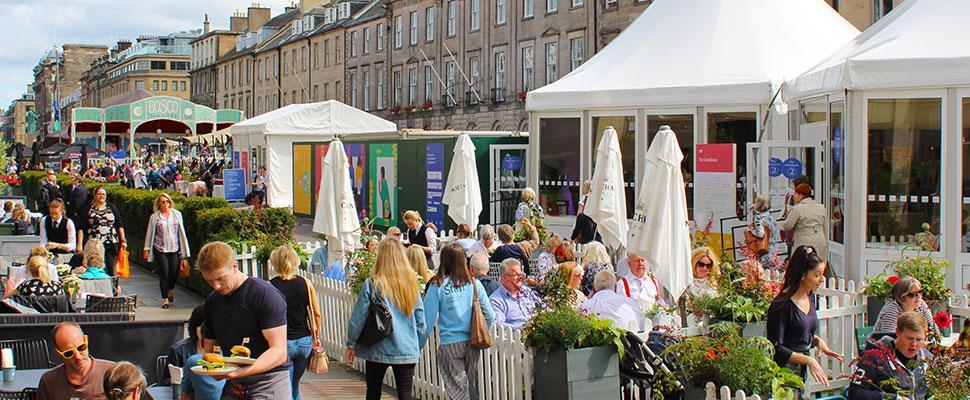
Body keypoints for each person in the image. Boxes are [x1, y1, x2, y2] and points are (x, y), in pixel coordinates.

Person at [197, 242, 291, 398]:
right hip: (234, 385)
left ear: (234, 267)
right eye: (209, 281)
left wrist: (240, 372)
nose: (216, 286)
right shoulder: (213, 302)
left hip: (268, 382)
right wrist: (214, 368)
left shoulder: (264, 294)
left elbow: (279, 352)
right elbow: (211, 349)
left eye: (220, 279)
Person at [346, 238, 426, 400]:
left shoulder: (373, 284)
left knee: (373, 392)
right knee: (405, 395)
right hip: (406, 347)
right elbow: (421, 323)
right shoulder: (411, 285)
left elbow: (358, 317)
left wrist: (351, 343)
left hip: (377, 347)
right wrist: (416, 345)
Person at [421, 244, 495, 400]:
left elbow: (426, 321)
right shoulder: (474, 283)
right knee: (471, 387)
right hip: (472, 341)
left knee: (458, 390)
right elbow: (490, 314)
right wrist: (481, 331)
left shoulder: (438, 285)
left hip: (450, 343)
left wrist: (418, 346)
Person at [766, 245, 843, 387]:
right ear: (802, 275)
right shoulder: (781, 306)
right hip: (785, 374)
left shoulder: (809, 298)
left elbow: (797, 333)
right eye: (817, 275)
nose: (821, 279)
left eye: (822, 274)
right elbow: (776, 347)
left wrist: (817, 341)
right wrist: (808, 360)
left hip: (803, 373)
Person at [268, 245, 322, 400]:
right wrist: (315, 335)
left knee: (286, 385)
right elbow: (316, 314)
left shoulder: (270, 287)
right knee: (295, 383)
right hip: (304, 341)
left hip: (283, 342)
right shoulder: (306, 283)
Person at [847, 311, 933, 400]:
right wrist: (890, 398)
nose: (914, 344)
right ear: (897, 332)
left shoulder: (927, 359)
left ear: (925, 336)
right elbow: (854, 392)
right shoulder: (874, 358)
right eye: (909, 338)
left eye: (919, 339)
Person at [38, 321, 116, 400]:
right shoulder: (49, 381)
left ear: (86, 340)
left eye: (81, 347)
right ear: (58, 354)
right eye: (69, 353)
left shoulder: (113, 373)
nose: (77, 356)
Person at [144, 193, 190, 309]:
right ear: (158, 204)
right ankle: (165, 299)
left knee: (174, 273)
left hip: (174, 248)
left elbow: (181, 233)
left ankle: (170, 288)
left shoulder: (177, 214)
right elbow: (150, 233)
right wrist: (146, 249)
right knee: (164, 272)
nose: (166, 204)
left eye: (167, 201)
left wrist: (184, 252)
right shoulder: (155, 217)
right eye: (163, 202)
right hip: (160, 248)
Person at [869, 277, 940, 342]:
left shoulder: (921, 304)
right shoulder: (891, 309)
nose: (919, 297)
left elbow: (932, 327)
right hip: (884, 350)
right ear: (901, 297)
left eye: (920, 292)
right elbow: (889, 340)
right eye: (913, 294)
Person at [779, 183, 829, 265]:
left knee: (803, 267)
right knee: (818, 267)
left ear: (801, 195)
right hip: (820, 241)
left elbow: (787, 226)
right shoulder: (821, 207)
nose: (794, 196)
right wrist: (825, 243)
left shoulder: (797, 209)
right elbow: (825, 228)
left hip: (804, 241)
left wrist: (780, 222)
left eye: (795, 193)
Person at [81, 186, 126, 276]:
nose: (101, 196)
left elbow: (119, 224)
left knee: (111, 267)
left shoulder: (112, 208)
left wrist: (123, 240)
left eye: (103, 194)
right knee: (96, 267)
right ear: (95, 195)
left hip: (110, 241)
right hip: (95, 243)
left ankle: (113, 287)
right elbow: (82, 227)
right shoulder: (89, 209)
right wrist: (80, 244)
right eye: (99, 194)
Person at [580, 270, 644, 332]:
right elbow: (641, 327)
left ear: (594, 287)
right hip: (630, 341)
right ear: (616, 287)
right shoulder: (630, 303)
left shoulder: (584, 306)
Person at [489, 258, 540, 328]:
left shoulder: (527, 291)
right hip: (516, 336)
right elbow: (499, 325)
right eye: (516, 275)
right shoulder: (496, 300)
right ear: (504, 277)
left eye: (521, 274)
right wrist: (526, 328)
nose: (520, 278)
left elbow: (543, 308)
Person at [163, 305, 205, 385]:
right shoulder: (178, 350)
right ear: (194, 327)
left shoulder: (225, 350)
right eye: (201, 326)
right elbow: (165, 381)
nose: (206, 331)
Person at [680, 247, 721, 322]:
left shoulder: (712, 284)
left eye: (708, 265)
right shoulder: (684, 281)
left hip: (708, 324)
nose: (704, 268)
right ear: (694, 262)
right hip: (686, 323)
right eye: (701, 264)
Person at [749, 195, 781, 270]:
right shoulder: (772, 218)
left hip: (763, 252)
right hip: (773, 251)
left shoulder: (758, 218)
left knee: (762, 275)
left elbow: (760, 234)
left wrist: (751, 230)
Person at [570, 180, 601, 244]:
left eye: (584, 186)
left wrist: (572, 239)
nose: (583, 188)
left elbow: (579, 211)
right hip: (598, 241)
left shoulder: (585, 198)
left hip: (586, 240)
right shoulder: (596, 200)